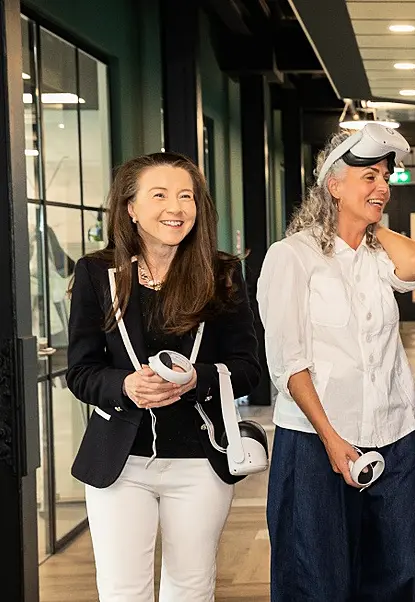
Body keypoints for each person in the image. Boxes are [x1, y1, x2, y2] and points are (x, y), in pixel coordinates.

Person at [66, 152, 261, 601]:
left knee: (191, 588)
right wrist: (124, 386)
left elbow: (248, 368)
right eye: (160, 195)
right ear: (130, 208)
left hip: (201, 459)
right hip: (119, 460)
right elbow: (81, 371)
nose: (176, 208)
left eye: (186, 196)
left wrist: (200, 379)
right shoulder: (98, 274)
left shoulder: (222, 273)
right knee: (122, 591)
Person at [258, 123, 415, 601]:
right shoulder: (291, 257)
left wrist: (373, 222)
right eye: (368, 177)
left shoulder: (380, 255)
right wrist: (332, 440)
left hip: (394, 431)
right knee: (319, 577)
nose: (382, 186)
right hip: (318, 440)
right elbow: (288, 363)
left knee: (403, 569)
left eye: (385, 177)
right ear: (333, 185)